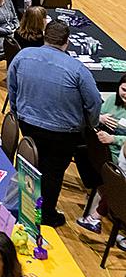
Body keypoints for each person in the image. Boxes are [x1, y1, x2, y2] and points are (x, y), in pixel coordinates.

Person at [8, 19, 101, 226]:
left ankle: (23, 205)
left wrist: (18, 112)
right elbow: (94, 102)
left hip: (29, 124)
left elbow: (12, 88)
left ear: (44, 35)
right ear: (66, 42)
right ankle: (46, 214)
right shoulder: (78, 70)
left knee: (31, 163)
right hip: (63, 133)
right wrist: (91, 124)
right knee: (54, 172)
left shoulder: (23, 56)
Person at [78, 75, 126, 234]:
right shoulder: (112, 100)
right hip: (102, 148)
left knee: (109, 175)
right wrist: (100, 119)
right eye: (124, 90)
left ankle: (97, 211)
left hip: (119, 154)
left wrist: (115, 138)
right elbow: (93, 119)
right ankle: (98, 204)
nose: (125, 94)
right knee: (81, 150)